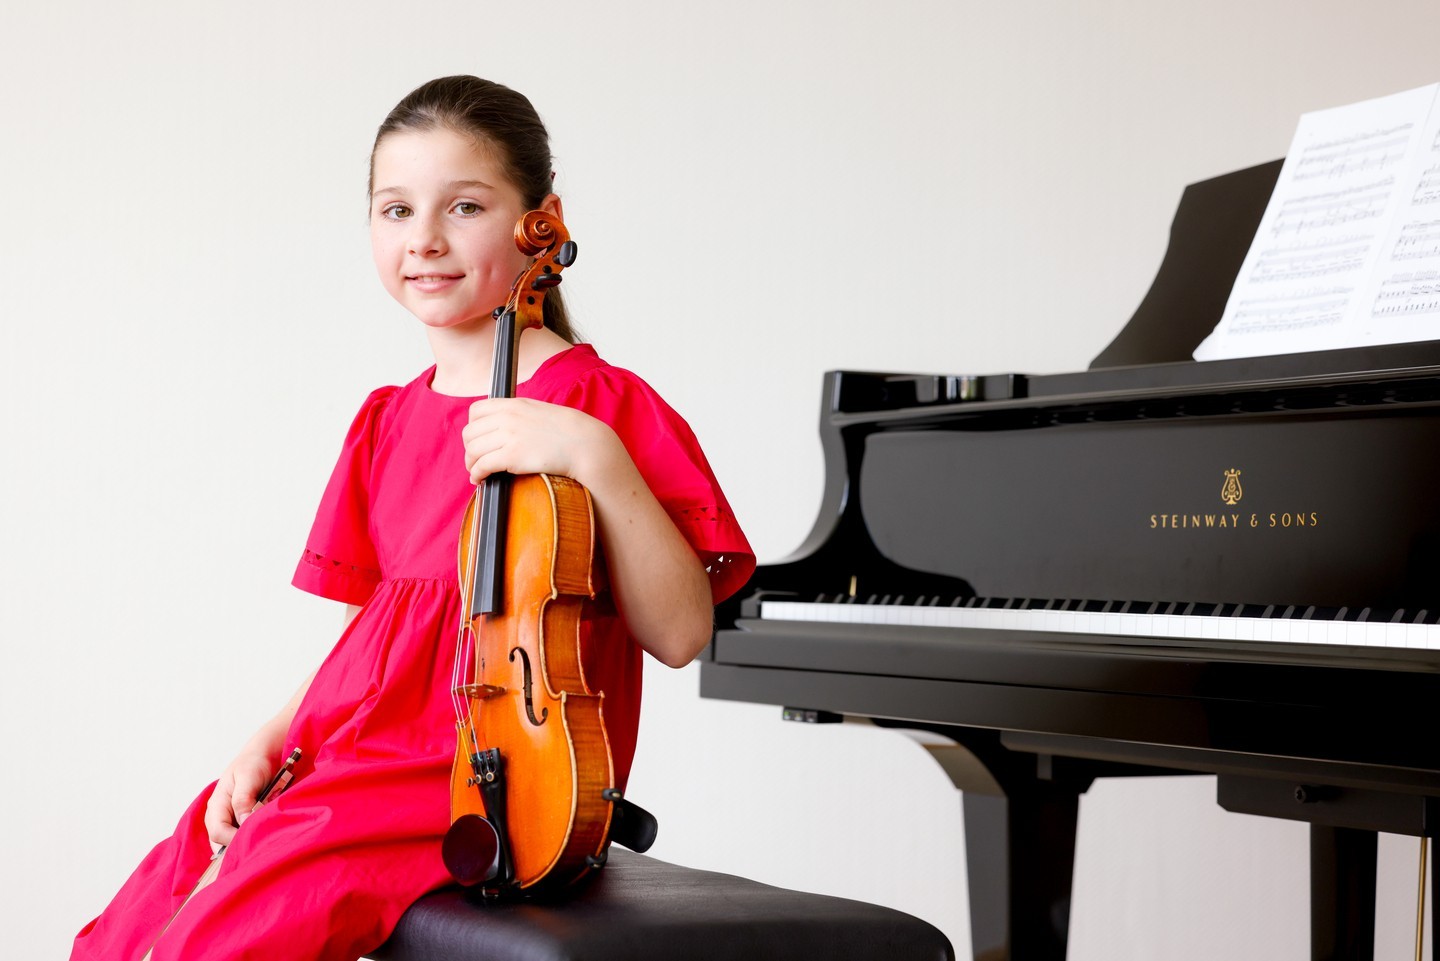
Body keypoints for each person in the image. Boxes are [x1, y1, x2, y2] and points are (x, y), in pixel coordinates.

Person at [70, 75, 754, 961]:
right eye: (396, 210)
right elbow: (371, 635)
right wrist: (271, 738)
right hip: (351, 753)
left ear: (542, 221)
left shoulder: (597, 407)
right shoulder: (387, 419)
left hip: (476, 769)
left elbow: (682, 632)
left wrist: (596, 458)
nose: (425, 238)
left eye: (464, 206)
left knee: (215, 939)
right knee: (137, 920)